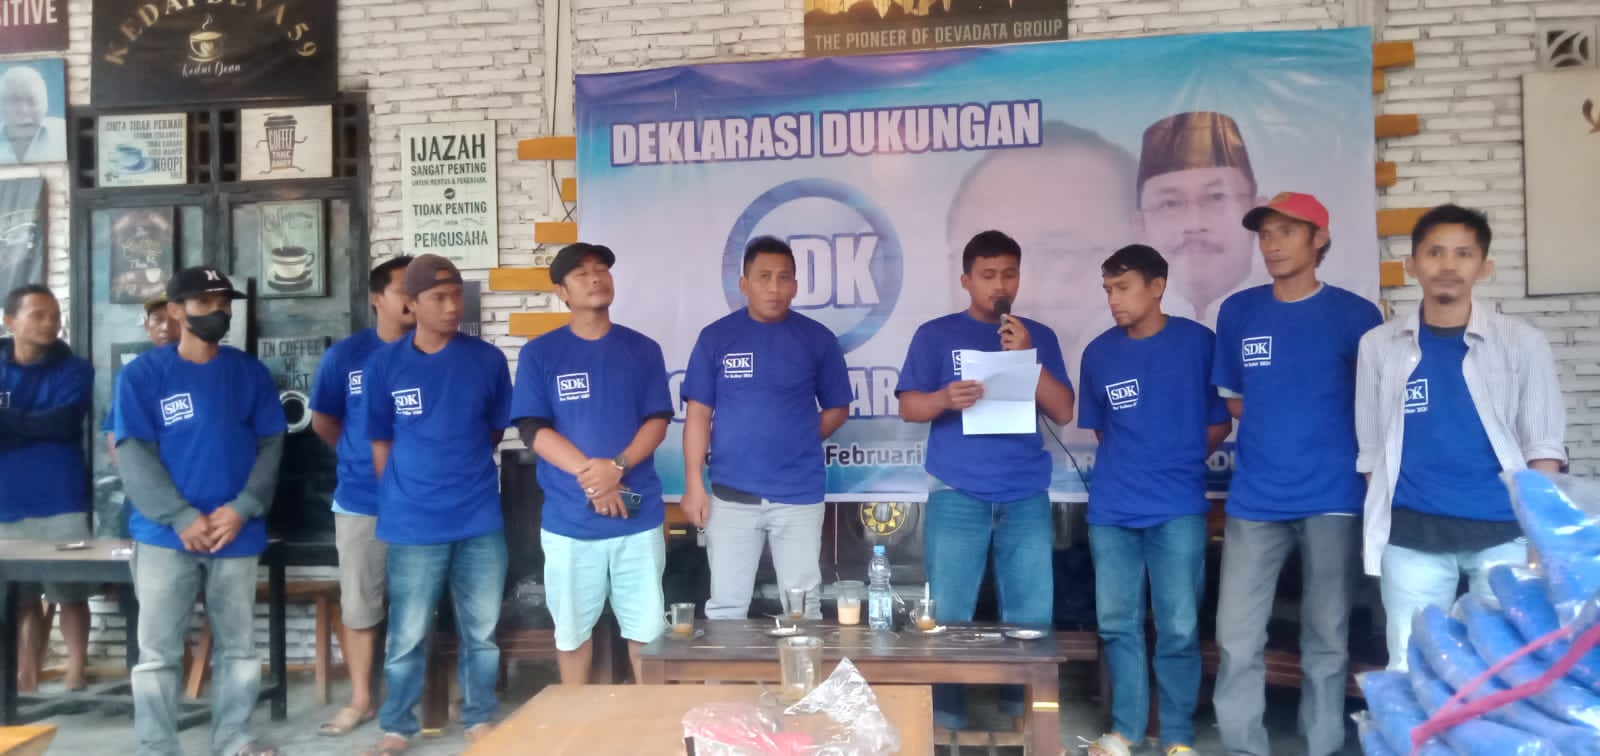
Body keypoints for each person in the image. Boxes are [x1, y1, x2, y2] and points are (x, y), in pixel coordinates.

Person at [1355, 204, 1566, 669]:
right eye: (1434, 252)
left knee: (1506, 670)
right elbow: (1371, 452)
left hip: (1503, 535)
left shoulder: (1522, 343)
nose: (1448, 265)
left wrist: (1540, 541)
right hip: (1412, 536)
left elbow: (1543, 450)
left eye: (1463, 253)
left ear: (1484, 267)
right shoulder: (1379, 346)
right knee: (1413, 669)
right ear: (1412, 265)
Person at [1209, 193, 1382, 756]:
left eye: (1287, 231)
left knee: (1327, 637)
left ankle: (1322, 743)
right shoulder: (1239, 311)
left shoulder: (1357, 316)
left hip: (1333, 497)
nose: (1273, 244)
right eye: (1265, 233)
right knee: (1236, 637)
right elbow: (1236, 400)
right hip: (1255, 499)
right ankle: (1243, 746)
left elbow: (1373, 407)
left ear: (1319, 239)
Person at [896, 229, 1075, 730]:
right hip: (958, 490)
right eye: (988, 275)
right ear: (966, 280)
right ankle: (945, 719)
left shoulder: (1036, 336)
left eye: (1009, 275)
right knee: (948, 613)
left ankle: (1024, 719)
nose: (1000, 285)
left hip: (1025, 493)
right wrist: (942, 400)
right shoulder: (935, 335)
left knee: (1031, 615)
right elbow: (909, 406)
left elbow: (1063, 410)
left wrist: (1028, 358)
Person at [112, 267, 284, 756]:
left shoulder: (249, 372)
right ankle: (156, 746)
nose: (218, 312)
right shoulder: (142, 375)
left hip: (236, 531)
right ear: (175, 310)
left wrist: (244, 507)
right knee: (158, 653)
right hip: (165, 535)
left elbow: (272, 445)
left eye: (224, 304)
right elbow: (133, 455)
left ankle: (234, 738)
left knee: (239, 648)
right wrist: (179, 516)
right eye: (205, 303)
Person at [1078, 246, 1231, 756]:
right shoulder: (1098, 353)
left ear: (1158, 286)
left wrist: (1176, 460)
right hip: (1112, 510)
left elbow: (1220, 421)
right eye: (1108, 290)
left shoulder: (1198, 344)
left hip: (1178, 508)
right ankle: (1125, 731)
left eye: (1123, 288)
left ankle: (1178, 735)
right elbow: (1103, 430)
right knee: (1117, 625)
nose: (1113, 300)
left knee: (1179, 628)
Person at [362, 254, 511, 755]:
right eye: (439, 298)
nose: (452, 307)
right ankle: (397, 726)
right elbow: (380, 440)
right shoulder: (385, 364)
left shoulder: (487, 360)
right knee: (406, 633)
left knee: (481, 631)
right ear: (412, 303)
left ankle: (478, 716)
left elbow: (494, 431)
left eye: (456, 296)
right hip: (411, 523)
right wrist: (398, 496)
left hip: (478, 517)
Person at [511, 243, 674, 684]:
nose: (596, 278)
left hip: (636, 518)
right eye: (581, 274)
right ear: (562, 292)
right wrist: (595, 478)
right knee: (571, 635)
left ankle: (649, 718)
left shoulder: (642, 349)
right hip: (570, 521)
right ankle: (574, 719)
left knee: (647, 632)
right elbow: (533, 429)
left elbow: (658, 421)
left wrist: (616, 467)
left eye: (601, 269)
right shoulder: (540, 354)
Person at [680, 236, 853, 621]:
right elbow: (698, 415)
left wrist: (798, 439)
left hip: (798, 495)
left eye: (783, 277)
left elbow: (838, 408)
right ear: (744, 284)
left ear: (795, 285)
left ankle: (801, 665)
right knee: (727, 607)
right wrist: (693, 484)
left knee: (802, 608)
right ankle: (728, 667)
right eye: (764, 277)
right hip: (731, 495)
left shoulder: (817, 339)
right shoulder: (716, 338)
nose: (774, 287)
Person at [307, 255, 414, 735]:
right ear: (377, 298)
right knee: (360, 605)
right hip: (360, 500)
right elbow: (325, 421)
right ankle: (362, 699)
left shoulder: (437, 352)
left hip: (424, 504)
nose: (412, 298)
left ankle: (429, 697)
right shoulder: (346, 356)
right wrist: (358, 456)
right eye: (402, 289)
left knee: (423, 604)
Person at [0, 285, 92, 693]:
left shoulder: (75, 369)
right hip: (5, 500)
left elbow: (64, 424)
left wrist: (9, 422)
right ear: (9, 320)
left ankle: (76, 671)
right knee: (19, 597)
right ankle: (26, 677)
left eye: (54, 315)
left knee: (70, 591)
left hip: (61, 497)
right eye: (37, 315)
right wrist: (35, 423)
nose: (49, 323)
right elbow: (47, 425)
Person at [1134, 112, 1263, 326]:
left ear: (1257, 215)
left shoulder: (1292, 313)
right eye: (1170, 204)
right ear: (1141, 228)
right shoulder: (1111, 329)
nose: (1194, 224)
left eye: (1216, 197)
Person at [104, 295, 181, 461]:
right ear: (147, 326)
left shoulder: (205, 366)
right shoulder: (135, 375)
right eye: (158, 320)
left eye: (175, 320)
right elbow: (115, 435)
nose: (166, 327)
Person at [0, 65, 65, 165]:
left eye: (32, 100)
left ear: (45, 105)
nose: (23, 110)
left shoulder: (62, 132)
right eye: (14, 101)